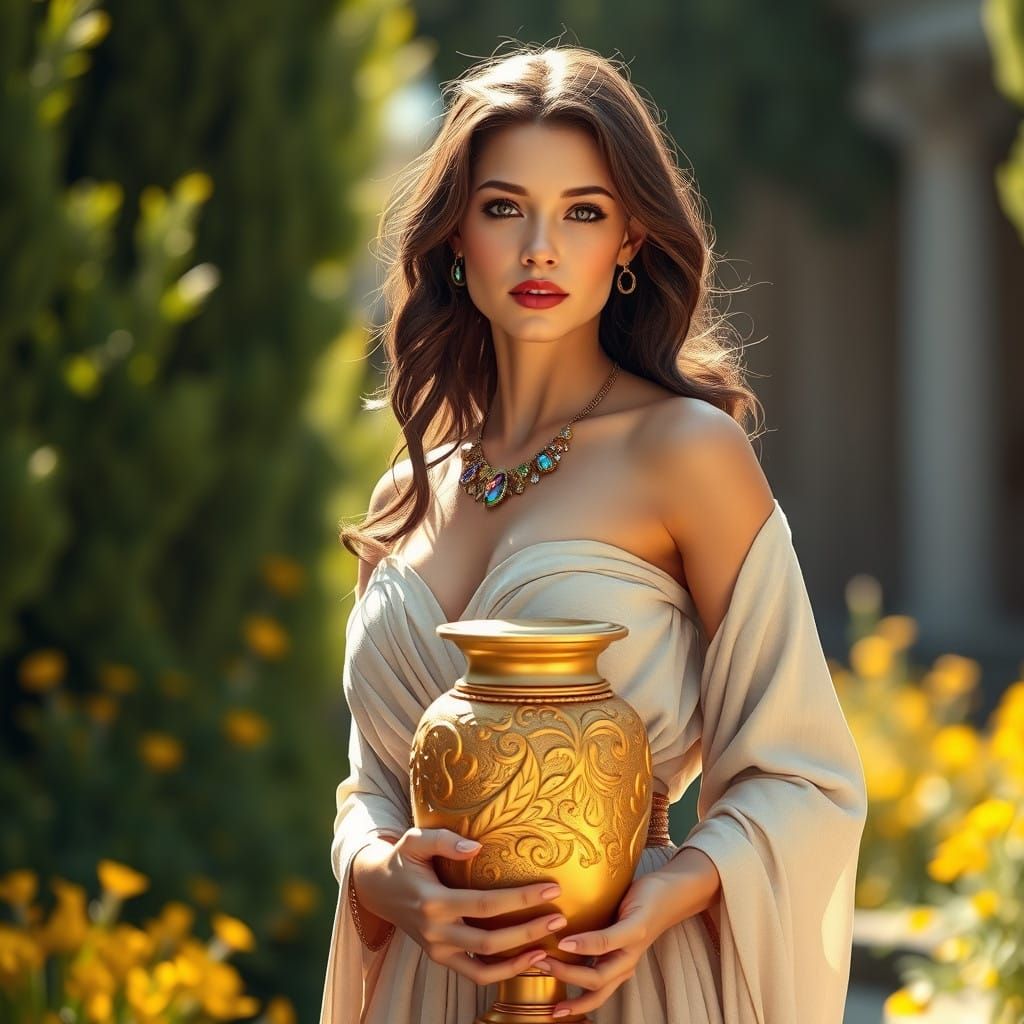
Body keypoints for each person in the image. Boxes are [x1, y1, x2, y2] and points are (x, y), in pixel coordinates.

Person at [320, 42, 868, 1024]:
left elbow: (803, 770)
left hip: (619, 982)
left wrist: (680, 882)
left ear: (626, 243)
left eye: (581, 212)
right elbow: (369, 784)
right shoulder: (409, 482)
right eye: (503, 208)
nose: (540, 247)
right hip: (421, 983)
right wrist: (376, 871)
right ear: (454, 237)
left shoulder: (685, 451)